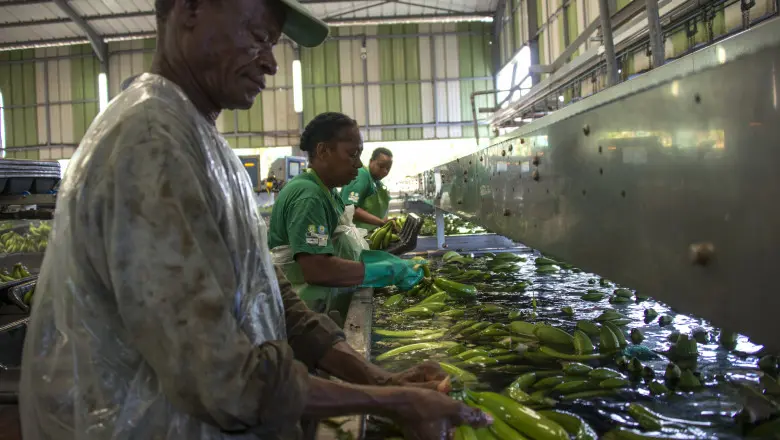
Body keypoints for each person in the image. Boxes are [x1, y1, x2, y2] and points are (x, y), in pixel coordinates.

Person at [18, 1, 490, 439]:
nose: (271, 63)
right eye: (258, 36)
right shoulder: (150, 143)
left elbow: (265, 288)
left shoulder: (197, 138)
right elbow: (220, 378)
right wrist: (391, 401)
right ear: (190, 9)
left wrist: (377, 375)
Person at [268, 113, 420, 324]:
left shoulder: (327, 192)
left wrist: (379, 259)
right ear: (323, 151)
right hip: (304, 317)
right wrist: (384, 270)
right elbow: (317, 269)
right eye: (352, 154)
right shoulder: (308, 196)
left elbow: (336, 245)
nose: (358, 164)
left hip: (320, 311)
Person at [341, 146, 395, 231]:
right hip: (354, 236)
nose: (385, 171)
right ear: (371, 161)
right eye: (381, 166)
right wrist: (381, 222)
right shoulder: (361, 176)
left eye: (388, 168)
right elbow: (349, 207)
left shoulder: (377, 183)